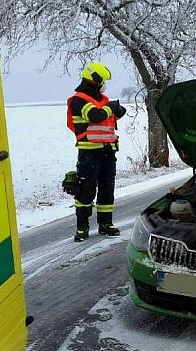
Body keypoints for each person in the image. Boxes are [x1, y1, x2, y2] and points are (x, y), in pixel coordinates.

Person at [67, 62, 127, 242]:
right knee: (86, 190)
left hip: (108, 152)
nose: (104, 85)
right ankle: (82, 227)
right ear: (95, 80)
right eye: (102, 81)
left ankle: (105, 224)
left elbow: (116, 113)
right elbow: (96, 115)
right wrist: (111, 108)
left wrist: (115, 109)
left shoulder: (102, 99)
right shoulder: (78, 100)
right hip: (89, 154)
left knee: (107, 190)